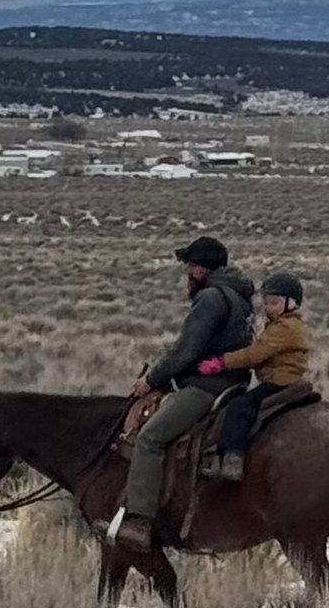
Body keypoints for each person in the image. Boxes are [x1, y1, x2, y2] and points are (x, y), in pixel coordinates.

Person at [110, 236, 254, 551]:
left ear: (203, 268)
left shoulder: (211, 298)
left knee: (150, 438)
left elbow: (186, 350)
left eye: (191, 265)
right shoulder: (239, 297)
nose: (188, 270)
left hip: (207, 387)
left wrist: (151, 379)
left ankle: (139, 522)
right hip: (234, 384)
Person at [197, 271, 311, 481]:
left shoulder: (285, 327)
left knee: (240, 407)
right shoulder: (286, 325)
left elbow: (254, 355)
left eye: (274, 303)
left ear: (291, 303)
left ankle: (233, 459)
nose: (268, 308)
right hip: (285, 379)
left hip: (279, 382)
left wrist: (221, 362)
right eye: (266, 303)